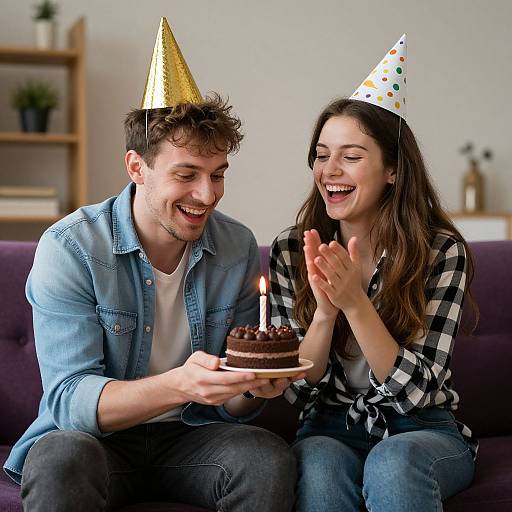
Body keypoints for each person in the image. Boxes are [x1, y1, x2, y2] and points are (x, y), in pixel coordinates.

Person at [4, 18, 298, 512]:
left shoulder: (236, 246)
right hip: (97, 443)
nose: (207, 195)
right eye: (187, 175)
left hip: (193, 439)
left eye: (218, 175)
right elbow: (71, 401)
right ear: (137, 167)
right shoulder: (70, 247)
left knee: (265, 457)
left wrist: (253, 389)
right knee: (58, 457)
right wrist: (178, 383)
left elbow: (234, 407)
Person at [269, 35, 477, 512]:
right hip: (327, 425)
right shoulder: (290, 250)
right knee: (316, 463)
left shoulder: (440, 252)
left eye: (351, 155)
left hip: (422, 429)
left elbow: (418, 390)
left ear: (393, 170)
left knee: (393, 461)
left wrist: (355, 304)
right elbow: (297, 389)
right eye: (321, 154)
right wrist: (324, 315)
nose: (329, 169)